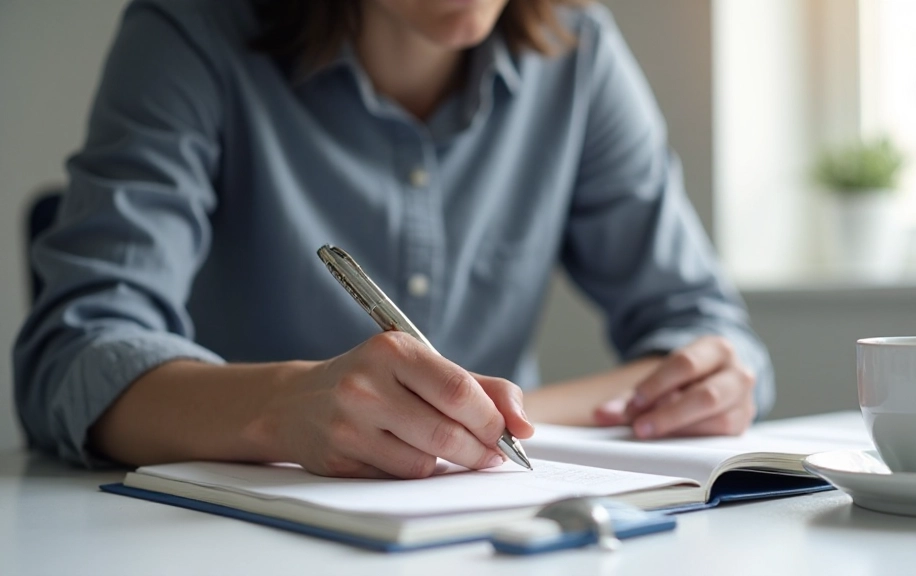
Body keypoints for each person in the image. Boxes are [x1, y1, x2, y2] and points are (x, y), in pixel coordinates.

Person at [13, 0, 774, 479]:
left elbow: (711, 336)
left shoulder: (581, 53)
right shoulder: (190, 30)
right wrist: (284, 408)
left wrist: (482, 420)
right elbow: (71, 362)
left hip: (485, 525)